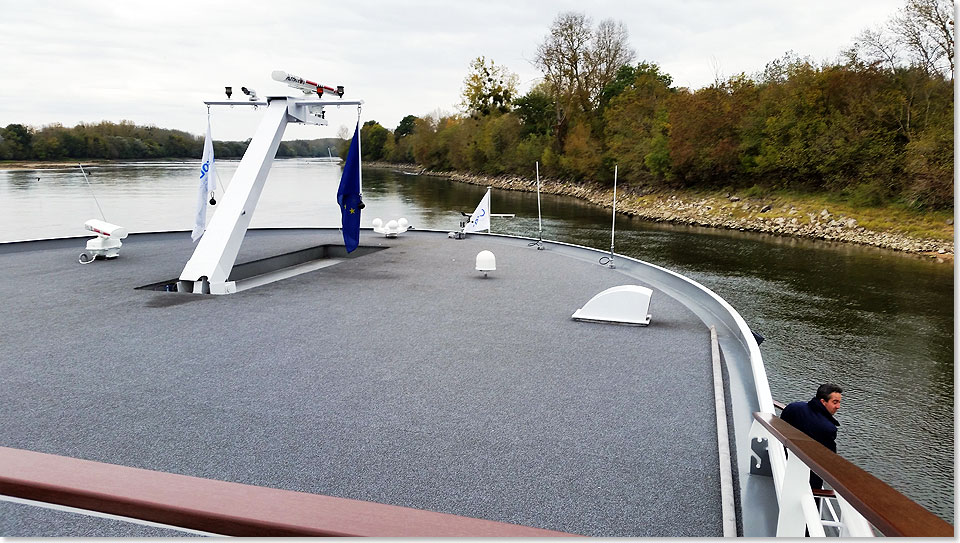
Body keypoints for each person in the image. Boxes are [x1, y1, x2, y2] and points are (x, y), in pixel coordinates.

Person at [780, 383, 842, 490]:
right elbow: (829, 460)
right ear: (823, 402)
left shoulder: (793, 407)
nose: (838, 407)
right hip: (809, 477)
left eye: (839, 402)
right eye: (835, 402)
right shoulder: (828, 428)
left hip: (784, 460)